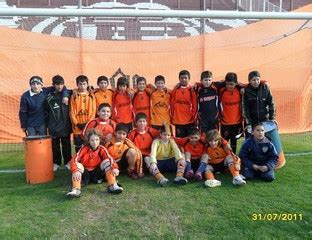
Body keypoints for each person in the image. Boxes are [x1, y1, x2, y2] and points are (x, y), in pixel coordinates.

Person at [67, 129, 123, 198]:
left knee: (108, 161)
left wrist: (114, 168)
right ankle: (76, 189)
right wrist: (75, 170)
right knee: (77, 165)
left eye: (97, 140)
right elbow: (74, 160)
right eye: (92, 140)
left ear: (99, 140)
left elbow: (110, 159)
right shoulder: (84, 149)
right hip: (86, 173)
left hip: (97, 174)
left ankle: (113, 185)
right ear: (88, 141)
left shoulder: (102, 149)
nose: (95, 142)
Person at [45, 75, 72, 171]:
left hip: (65, 125)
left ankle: (68, 161)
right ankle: (56, 163)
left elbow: (77, 91)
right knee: (55, 146)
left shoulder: (68, 93)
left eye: (61, 84)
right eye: (57, 84)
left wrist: (65, 94)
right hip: (54, 126)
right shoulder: (48, 96)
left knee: (66, 145)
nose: (59, 87)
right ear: (53, 85)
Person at [69, 75, 96, 152]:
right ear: (77, 85)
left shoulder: (91, 95)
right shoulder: (74, 96)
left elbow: (93, 110)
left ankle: (88, 162)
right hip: (77, 127)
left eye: (84, 84)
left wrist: (88, 123)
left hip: (88, 126)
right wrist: (77, 123)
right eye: (80, 84)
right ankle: (78, 161)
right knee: (78, 146)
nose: (82, 86)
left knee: (89, 144)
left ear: (87, 84)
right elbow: (71, 111)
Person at [219, 72, 243, 153]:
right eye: (227, 84)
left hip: (237, 122)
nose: (229, 86)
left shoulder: (240, 90)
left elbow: (250, 84)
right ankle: (224, 157)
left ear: (236, 83)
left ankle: (233, 156)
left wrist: (264, 82)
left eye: (232, 84)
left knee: (234, 141)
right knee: (224, 141)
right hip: (225, 122)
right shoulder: (221, 90)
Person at [170, 70, 197, 137]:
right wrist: (172, 115)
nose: (184, 80)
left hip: (189, 121)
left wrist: (193, 116)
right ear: (179, 79)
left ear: (189, 79)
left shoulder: (192, 90)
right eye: (182, 78)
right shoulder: (176, 90)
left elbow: (195, 104)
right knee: (180, 141)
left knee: (190, 140)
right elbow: (172, 103)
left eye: (185, 78)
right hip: (178, 120)